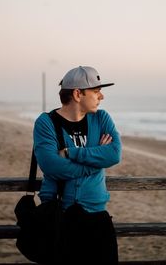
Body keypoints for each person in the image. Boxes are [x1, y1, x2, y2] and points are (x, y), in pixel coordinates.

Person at [33, 66, 122, 264]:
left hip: (98, 217)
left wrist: (72, 153)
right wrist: (96, 161)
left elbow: (114, 154)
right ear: (77, 94)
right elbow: (52, 166)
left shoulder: (101, 118)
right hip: (59, 217)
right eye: (96, 91)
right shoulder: (46, 123)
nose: (102, 97)